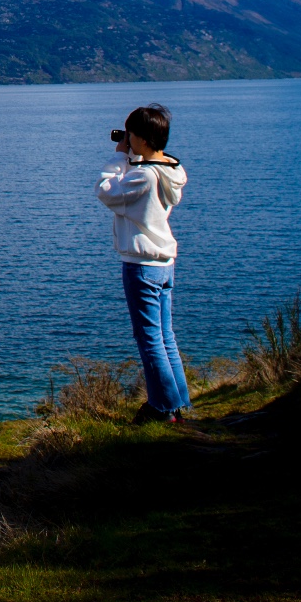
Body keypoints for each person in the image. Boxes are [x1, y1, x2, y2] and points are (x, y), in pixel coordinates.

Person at [96, 103, 192, 423]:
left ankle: (162, 409)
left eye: (132, 135)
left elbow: (106, 191)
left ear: (145, 140)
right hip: (163, 262)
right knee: (166, 337)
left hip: (141, 264)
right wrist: (132, 156)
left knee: (149, 339)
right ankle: (177, 404)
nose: (128, 139)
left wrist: (119, 157)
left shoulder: (144, 177)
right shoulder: (168, 171)